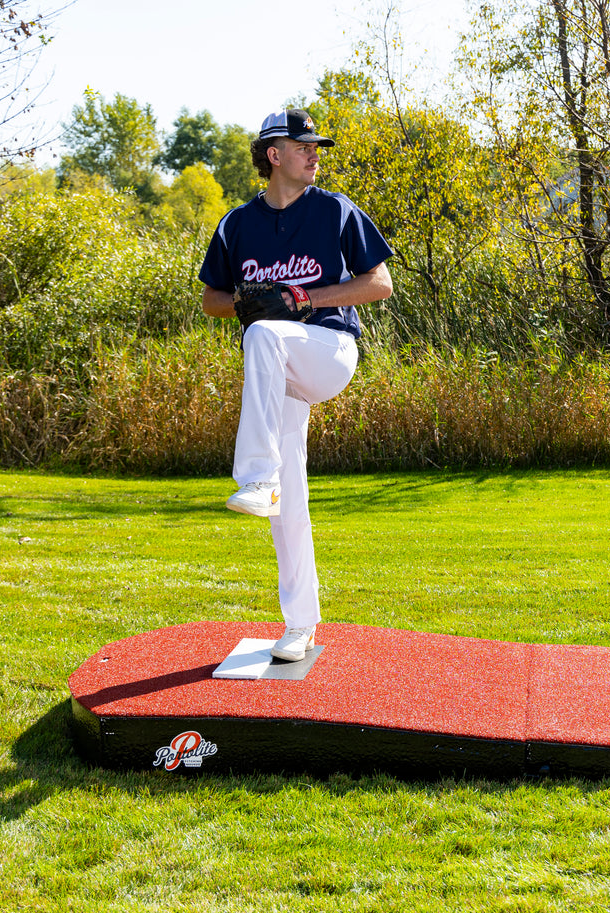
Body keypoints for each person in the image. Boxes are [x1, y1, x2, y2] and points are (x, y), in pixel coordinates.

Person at [198, 108, 393, 661]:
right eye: (302, 143)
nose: (314, 152)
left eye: (316, 145)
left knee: (262, 335)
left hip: (329, 349)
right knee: (290, 501)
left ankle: (255, 476)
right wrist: (242, 301)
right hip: (277, 373)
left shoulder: (333, 210)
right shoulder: (237, 223)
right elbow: (212, 298)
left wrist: (305, 298)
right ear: (273, 155)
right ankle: (300, 624)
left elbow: (379, 284)